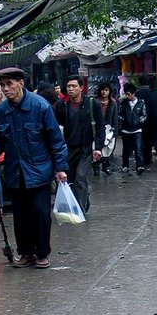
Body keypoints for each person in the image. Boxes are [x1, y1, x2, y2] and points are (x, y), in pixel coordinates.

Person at [0, 67, 68, 269]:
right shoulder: (0, 112)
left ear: (21, 83)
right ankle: (25, 253)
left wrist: (60, 169)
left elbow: (55, 140)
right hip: (15, 172)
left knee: (40, 214)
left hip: (39, 171)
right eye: (2, 85)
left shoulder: (40, 107)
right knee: (20, 215)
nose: (5, 89)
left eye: (9, 84)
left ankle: (42, 253)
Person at [53, 75, 105, 214]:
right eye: (68, 86)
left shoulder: (92, 104)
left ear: (81, 88)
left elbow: (101, 127)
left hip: (85, 149)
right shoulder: (61, 105)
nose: (70, 89)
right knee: (68, 179)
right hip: (67, 149)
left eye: (74, 86)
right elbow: (54, 127)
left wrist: (98, 148)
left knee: (80, 177)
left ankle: (79, 211)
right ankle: (76, 203)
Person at [118, 83, 146, 174]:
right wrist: (124, 119)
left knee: (138, 149)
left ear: (134, 93)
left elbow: (144, 115)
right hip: (126, 130)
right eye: (126, 94)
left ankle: (139, 166)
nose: (127, 96)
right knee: (125, 149)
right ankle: (125, 165)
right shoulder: (123, 103)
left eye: (129, 94)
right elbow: (119, 114)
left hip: (137, 129)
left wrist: (139, 121)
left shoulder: (141, 103)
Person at [93, 81, 118, 176]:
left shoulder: (113, 103)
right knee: (96, 147)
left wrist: (115, 132)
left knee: (107, 148)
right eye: (102, 90)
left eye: (106, 90)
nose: (104, 92)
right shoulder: (94, 101)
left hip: (108, 128)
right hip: (96, 127)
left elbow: (114, 118)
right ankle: (95, 167)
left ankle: (105, 166)